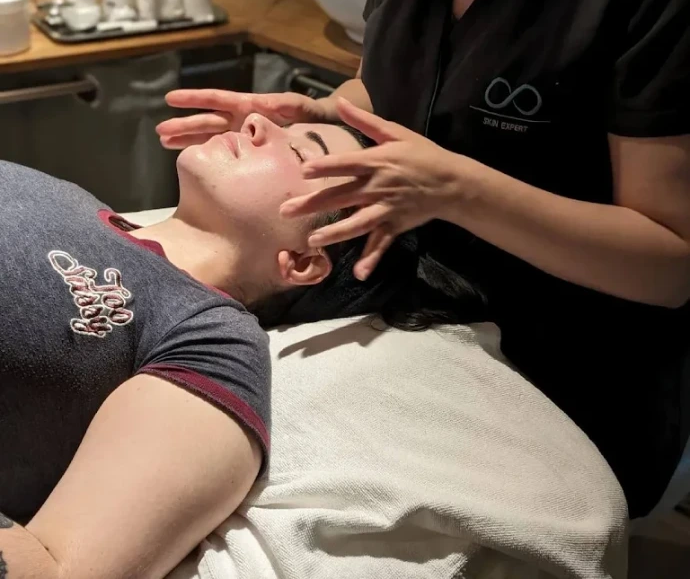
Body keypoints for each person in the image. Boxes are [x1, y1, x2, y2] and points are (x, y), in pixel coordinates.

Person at [156, 0, 690, 519]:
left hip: (569, 386)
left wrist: (457, 187)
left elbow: (668, 261)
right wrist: (326, 113)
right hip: (414, 327)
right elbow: (402, 86)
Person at [0, 115, 480, 579]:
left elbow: (58, 567)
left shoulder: (213, 340)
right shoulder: (69, 196)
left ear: (304, 259)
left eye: (298, 150)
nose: (256, 120)